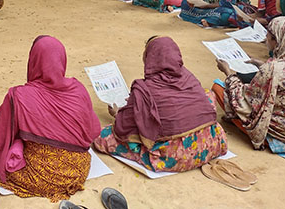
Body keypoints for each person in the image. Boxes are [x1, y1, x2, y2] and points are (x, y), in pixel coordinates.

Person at [0, 36, 101, 202]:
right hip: (79, 170)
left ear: (34, 61)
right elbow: (93, 130)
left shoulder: (19, 96)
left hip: (44, 177)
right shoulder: (78, 89)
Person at [94, 36, 227, 173]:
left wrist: (117, 114)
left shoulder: (144, 89)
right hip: (212, 144)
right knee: (206, 94)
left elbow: (125, 126)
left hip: (176, 156)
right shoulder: (188, 77)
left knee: (102, 136)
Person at [212, 17, 285, 157]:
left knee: (220, 88)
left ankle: (260, 134)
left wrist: (228, 72)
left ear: (278, 40)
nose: (265, 38)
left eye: (268, 35)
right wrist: (261, 64)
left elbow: (245, 101)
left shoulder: (273, 69)